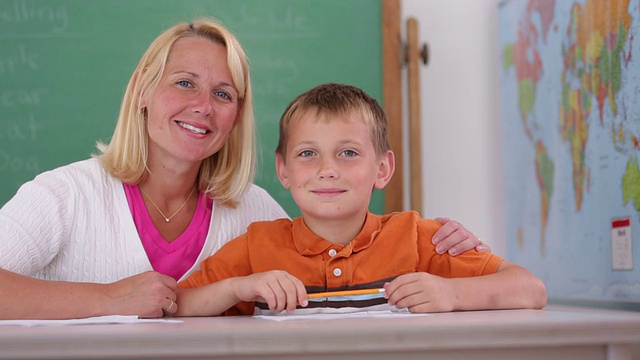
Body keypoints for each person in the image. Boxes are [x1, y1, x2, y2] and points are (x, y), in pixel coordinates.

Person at [0, 19, 485, 320]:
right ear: (142, 95)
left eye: (223, 94)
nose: (202, 107)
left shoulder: (253, 210)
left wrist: (448, 244)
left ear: (236, 117)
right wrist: (106, 300)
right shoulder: (64, 195)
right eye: (185, 83)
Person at [174, 83, 547, 317]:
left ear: (383, 169)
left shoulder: (416, 237)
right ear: (283, 170)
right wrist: (237, 287)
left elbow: (530, 288)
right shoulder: (258, 247)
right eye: (307, 154)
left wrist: (451, 292)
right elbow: (177, 305)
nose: (327, 169)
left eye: (348, 153)